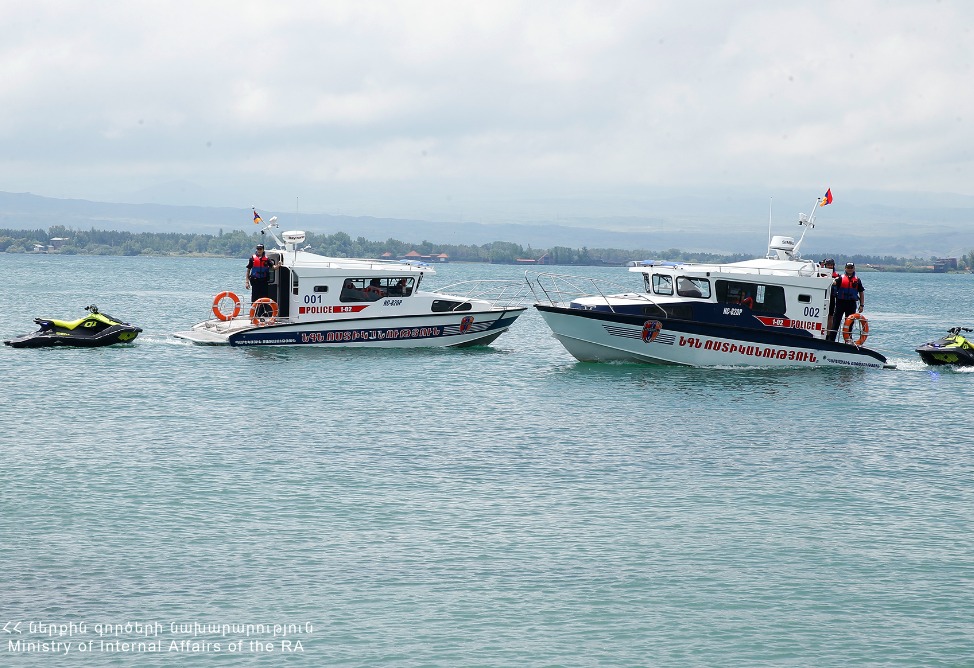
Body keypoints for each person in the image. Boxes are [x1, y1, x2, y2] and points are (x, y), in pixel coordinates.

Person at [828, 262, 865, 342]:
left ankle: (848, 340)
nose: (850, 269)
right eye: (848, 267)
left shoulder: (857, 280)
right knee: (836, 322)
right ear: (845, 268)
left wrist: (861, 305)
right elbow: (833, 285)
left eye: (851, 267)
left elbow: (861, 293)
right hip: (840, 302)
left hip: (851, 303)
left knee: (850, 323)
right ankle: (831, 340)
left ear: (854, 269)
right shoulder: (840, 278)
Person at [821, 259, 838, 339]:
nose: (830, 266)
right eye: (828, 265)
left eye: (831, 265)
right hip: (822, 297)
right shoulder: (820, 274)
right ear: (825, 265)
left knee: (830, 316)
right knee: (822, 315)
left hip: (832, 297)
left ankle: (828, 334)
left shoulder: (837, 276)